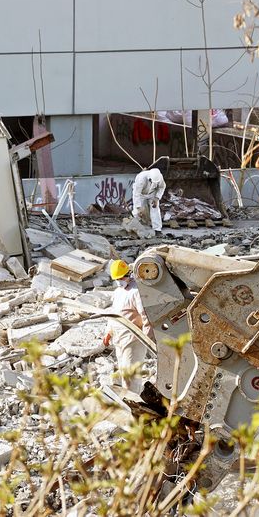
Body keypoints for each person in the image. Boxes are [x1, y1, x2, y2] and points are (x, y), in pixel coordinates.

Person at [103, 259, 153, 394]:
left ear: (128, 274)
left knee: (131, 377)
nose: (119, 281)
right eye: (117, 279)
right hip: (119, 338)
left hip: (133, 340)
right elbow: (114, 313)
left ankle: (135, 404)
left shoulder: (136, 291)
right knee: (123, 372)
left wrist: (148, 338)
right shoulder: (118, 291)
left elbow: (146, 317)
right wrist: (108, 332)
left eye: (121, 278)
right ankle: (129, 401)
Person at [132, 166, 166, 233]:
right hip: (141, 194)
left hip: (152, 194)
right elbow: (136, 194)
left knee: (155, 209)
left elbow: (162, 187)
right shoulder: (141, 178)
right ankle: (135, 229)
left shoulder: (159, 178)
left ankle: (157, 229)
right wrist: (139, 208)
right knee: (137, 212)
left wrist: (156, 198)